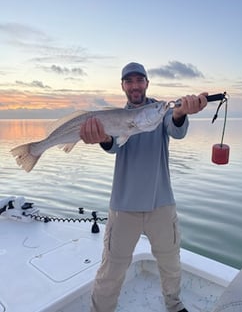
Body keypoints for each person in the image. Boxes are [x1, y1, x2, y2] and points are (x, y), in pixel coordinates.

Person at [80, 62, 208, 312]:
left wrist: (182, 113)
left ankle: (174, 304)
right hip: (124, 205)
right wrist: (104, 138)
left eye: (140, 80)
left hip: (161, 203)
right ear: (123, 86)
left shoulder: (161, 110)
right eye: (129, 81)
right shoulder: (115, 116)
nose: (135, 85)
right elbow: (114, 144)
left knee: (170, 262)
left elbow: (176, 129)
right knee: (112, 268)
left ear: (147, 83)